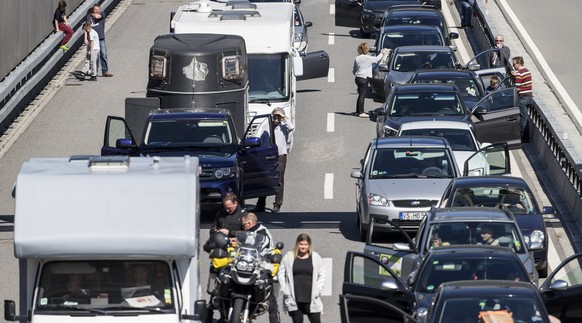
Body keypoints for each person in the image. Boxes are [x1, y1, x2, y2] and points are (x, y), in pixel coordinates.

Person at [253, 108, 294, 213]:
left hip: (280, 155)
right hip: (268, 156)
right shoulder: (267, 127)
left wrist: (283, 116)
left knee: (279, 180)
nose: (276, 118)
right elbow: (261, 140)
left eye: (278, 116)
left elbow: (292, 127)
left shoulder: (284, 127)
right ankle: (261, 204)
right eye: (275, 116)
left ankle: (277, 204)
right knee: (265, 179)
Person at [241, 213, 280, 323]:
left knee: (270, 299)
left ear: (249, 223)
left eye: (244, 224)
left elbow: (259, 248)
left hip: (263, 264)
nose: (242, 226)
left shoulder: (261, 232)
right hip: (248, 264)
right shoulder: (247, 231)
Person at [278, 234, 325, 323]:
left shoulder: (315, 257)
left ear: (309, 245)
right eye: (301, 244)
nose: (303, 247)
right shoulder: (288, 257)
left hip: (311, 298)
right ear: (297, 244)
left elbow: (322, 274)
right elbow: (281, 273)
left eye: (305, 244)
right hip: (294, 298)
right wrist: (285, 289)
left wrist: (318, 289)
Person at [352, 43, 389, 118]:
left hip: (358, 78)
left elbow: (354, 69)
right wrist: (382, 52)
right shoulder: (368, 58)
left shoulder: (357, 58)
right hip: (364, 78)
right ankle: (361, 112)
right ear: (366, 50)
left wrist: (356, 73)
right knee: (362, 95)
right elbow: (377, 59)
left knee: (360, 94)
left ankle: (358, 111)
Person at [87, 4, 113, 77]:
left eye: (98, 9)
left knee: (103, 54)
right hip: (93, 40)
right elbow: (86, 28)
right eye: (96, 9)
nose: (97, 11)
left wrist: (93, 14)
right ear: (93, 9)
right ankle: (94, 72)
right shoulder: (88, 17)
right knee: (94, 56)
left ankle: (105, 71)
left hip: (101, 38)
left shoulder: (102, 14)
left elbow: (96, 16)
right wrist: (85, 38)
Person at [511, 56, 533, 141]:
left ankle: (524, 138)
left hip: (522, 98)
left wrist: (516, 76)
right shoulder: (527, 71)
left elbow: (518, 88)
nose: (513, 66)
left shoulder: (519, 74)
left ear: (518, 63)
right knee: (525, 117)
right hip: (528, 97)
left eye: (514, 64)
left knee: (523, 118)